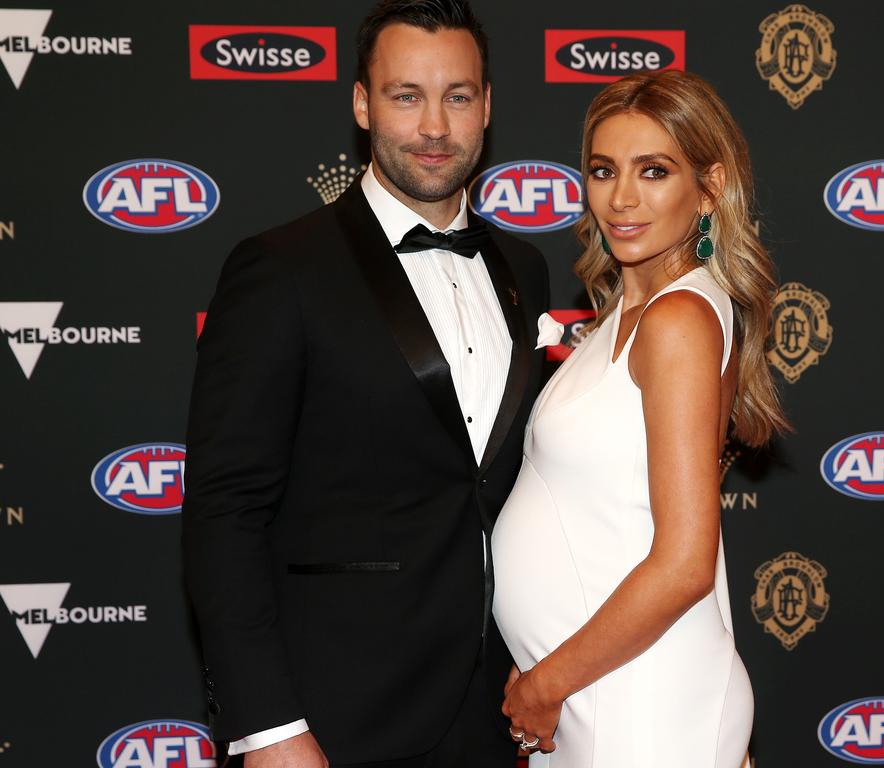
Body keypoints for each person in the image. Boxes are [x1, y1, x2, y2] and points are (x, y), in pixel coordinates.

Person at [181, 2, 549, 766]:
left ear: (487, 105)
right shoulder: (282, 270)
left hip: (492, 712)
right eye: (405, 95)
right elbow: (226, 511)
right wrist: (271, 730)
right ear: (361, 103)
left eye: (457, 95)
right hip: (333, 717)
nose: (435, 127)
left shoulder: (524, 269)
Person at [491, 70, 790, 767]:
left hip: (640, 700)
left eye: (654, 171)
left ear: (710, 187)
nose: (621, 198)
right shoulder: (628, 315)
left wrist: (548, 679)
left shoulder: (681, 318)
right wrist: (546, 668)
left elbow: (684, 563)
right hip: (596, 687)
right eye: (603, 170)